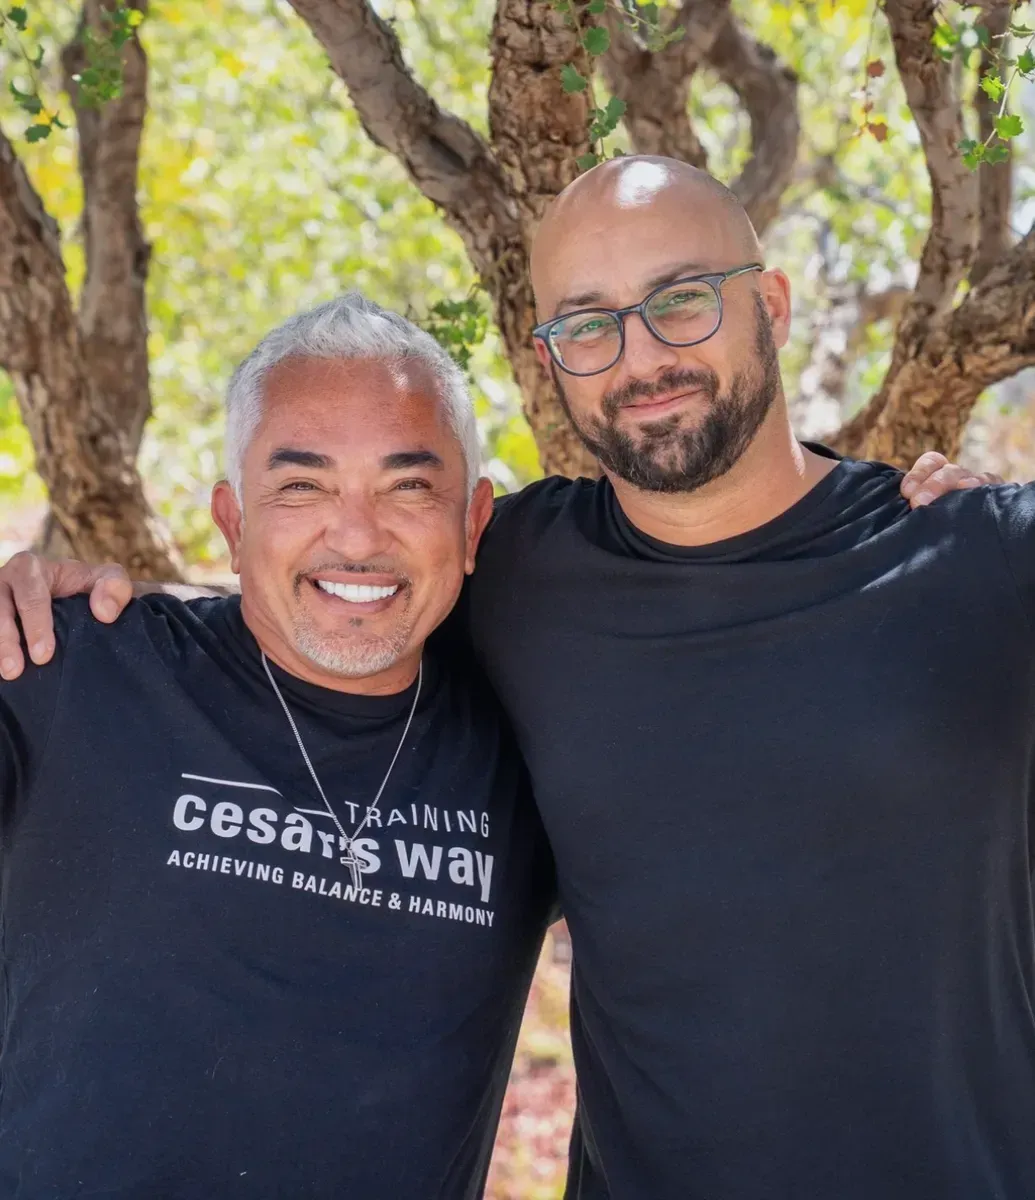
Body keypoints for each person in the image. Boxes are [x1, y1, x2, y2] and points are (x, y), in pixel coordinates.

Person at [0, 158, 1015, 1199]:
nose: (642, 353)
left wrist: (974, 541)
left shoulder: (983, 567)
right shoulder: (78, 668)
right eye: (587, 322)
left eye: (681, 300)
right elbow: (308, 596)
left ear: (771, 303)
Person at [0, 295, 555, 1198]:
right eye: (301, 485)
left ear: (472, 524)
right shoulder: (73, 669)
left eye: (408, 485)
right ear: (231, 521)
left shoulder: (536, 749)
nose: (356, 535)